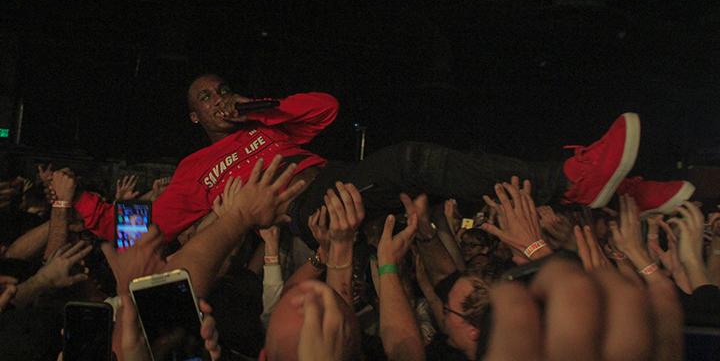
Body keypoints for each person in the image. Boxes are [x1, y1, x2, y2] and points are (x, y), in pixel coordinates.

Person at [72, 73, 694, 249]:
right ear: (193, 118)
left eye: (221, 89)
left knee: (465, 180)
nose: (217, 101)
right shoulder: (191, 173)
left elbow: (324, 108)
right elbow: (142, 233)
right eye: (205, 99)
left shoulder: (262, 120)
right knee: (413, 159)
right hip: (300, 211)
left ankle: (615, 195)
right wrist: (73, 200)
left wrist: (257, 105)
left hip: (331, 180)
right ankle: (573, 179)